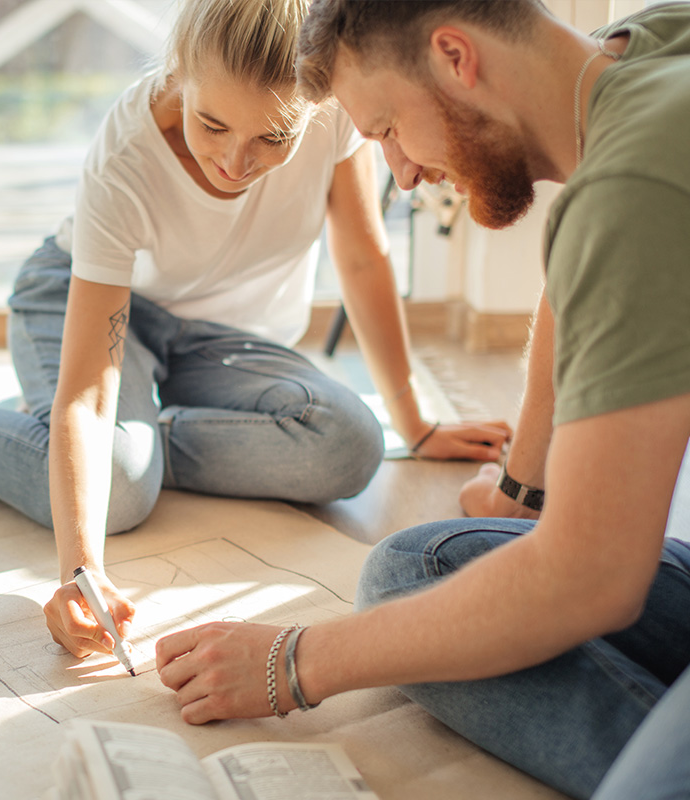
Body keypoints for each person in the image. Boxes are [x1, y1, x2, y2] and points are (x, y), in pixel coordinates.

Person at [0, 0, 508, 662]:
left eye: (272, 138)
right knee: (117, 491)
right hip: (80, 297)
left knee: (351, 445)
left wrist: (414, 419)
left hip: (216, 337)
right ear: (180, 74)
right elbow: (89, 394)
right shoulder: (126, 155)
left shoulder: (336, 109)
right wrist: (78, 570)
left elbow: (362, 253)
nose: (234, 160)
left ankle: (123, 435)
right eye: (213, 123)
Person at [154, 2, 690, 799]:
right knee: (417, 572)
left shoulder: (631, 186)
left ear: (453, 56)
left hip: (600, 574)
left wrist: (292, 663)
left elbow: (591, 578)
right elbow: (572, 283)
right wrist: (519, 491)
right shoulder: (646, 49)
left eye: (387, 129)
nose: (401, 173)